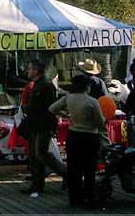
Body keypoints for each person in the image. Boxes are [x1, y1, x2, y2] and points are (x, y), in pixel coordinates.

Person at [49, 74, 105, 208]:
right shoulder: (92, 101)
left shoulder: (68, 98)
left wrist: (66, 116)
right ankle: (89, 198)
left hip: (73, 136)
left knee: (74, 169)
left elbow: (52, 108)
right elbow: (100, 122)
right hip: (90, 137)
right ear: (87, 86)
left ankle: (74, 199)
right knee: (89, 169)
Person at [21, 59, 66, 199]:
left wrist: (51, 126)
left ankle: (66, 174)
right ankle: (36, 184)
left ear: (36, 71)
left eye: (30, 69)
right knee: (35, 156)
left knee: (41, 154)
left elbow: (50, 108)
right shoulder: (36, 86)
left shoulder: (46, 86)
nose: (28, 71)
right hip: (34, 125)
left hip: (43, 125)